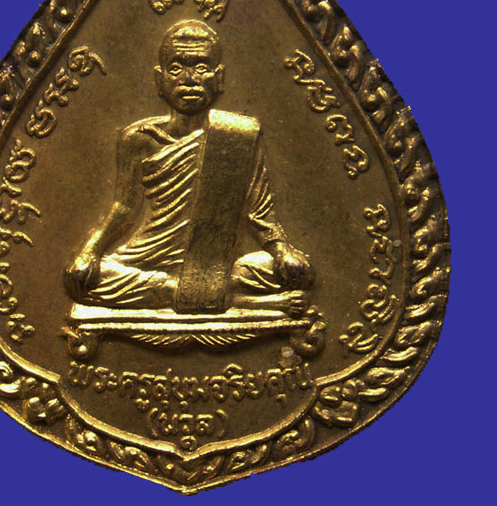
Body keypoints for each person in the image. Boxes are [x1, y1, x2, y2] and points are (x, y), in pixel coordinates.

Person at [64, 19, 314, 314]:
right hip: (150, 261)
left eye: (201, 67)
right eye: (176, 68)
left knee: (300, 274)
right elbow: (124, 208)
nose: (190, 78)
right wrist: (90, 251)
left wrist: (282, 250)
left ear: (219, 78)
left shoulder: (239, 135)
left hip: (218, 263)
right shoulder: (139, 139)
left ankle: (192, 293)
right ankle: (227, 298)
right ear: (159, 80)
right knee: (86, 280)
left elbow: (260, 215)